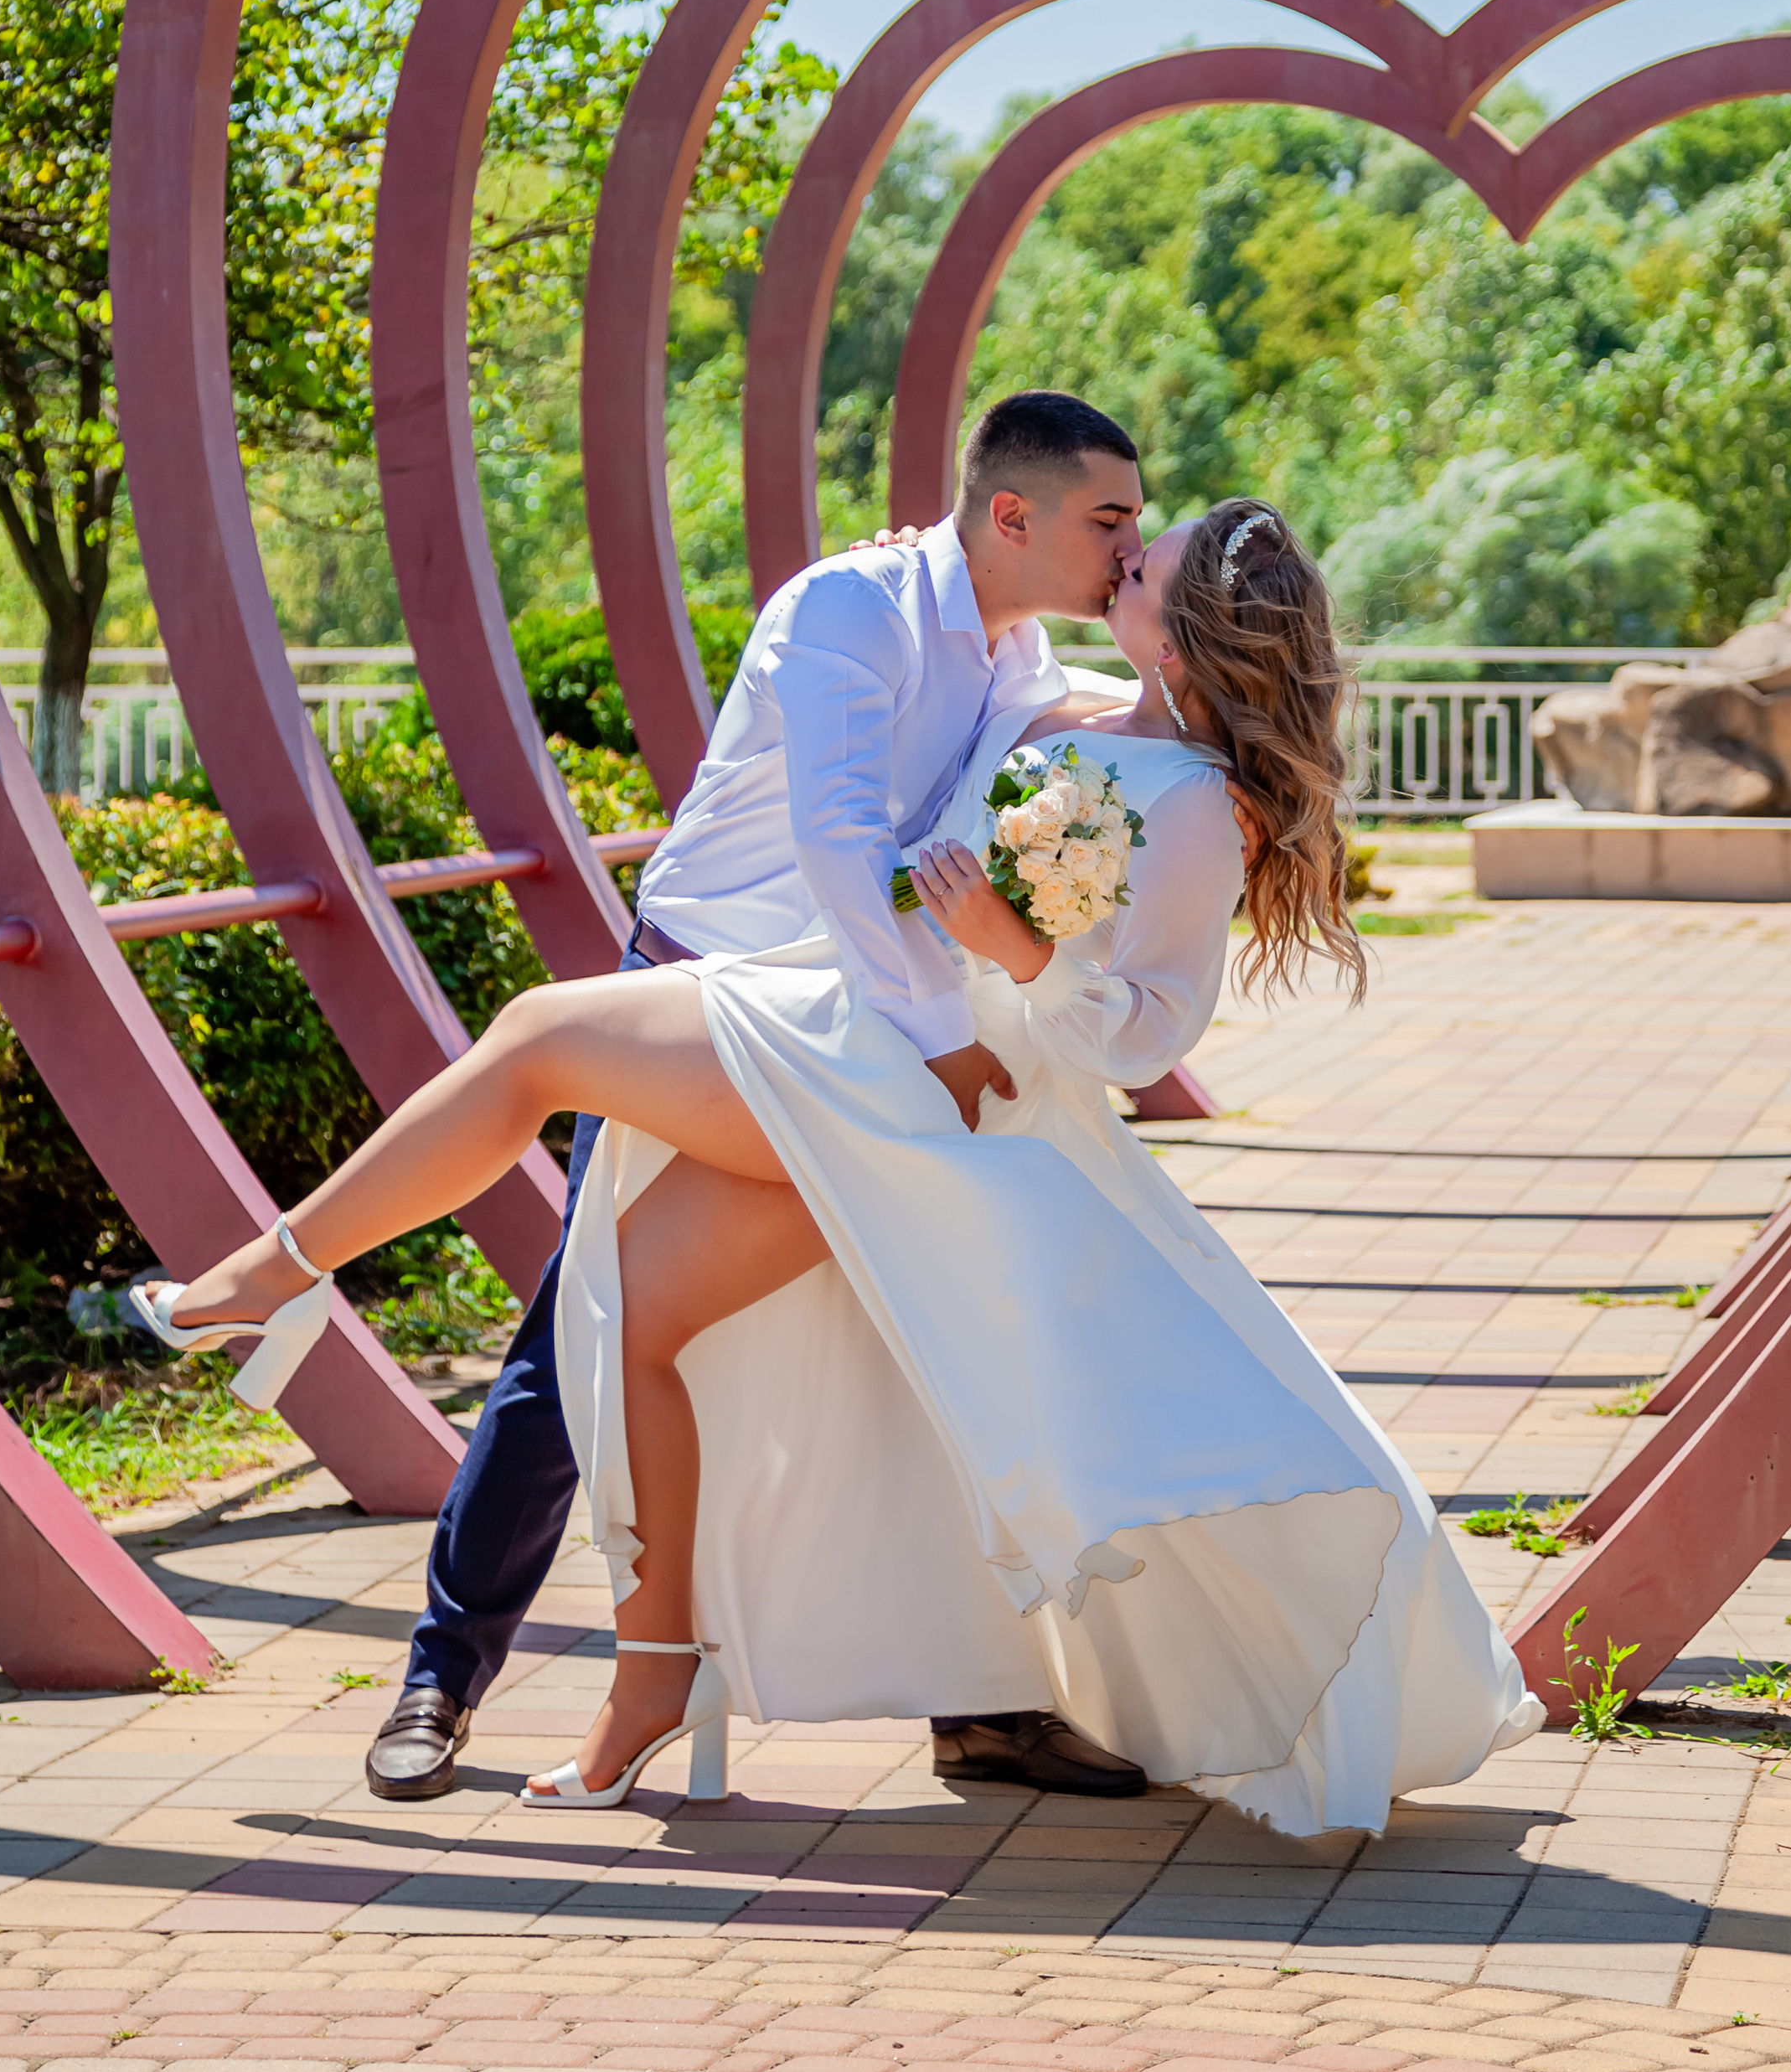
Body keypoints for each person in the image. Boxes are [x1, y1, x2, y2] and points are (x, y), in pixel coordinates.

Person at [136, 493, 1544, 1836]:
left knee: (536, 1039)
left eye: (1138, 569)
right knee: (624, 1312)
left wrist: (1019, 949)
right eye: (1116, 544)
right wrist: (919, 562)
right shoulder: (1056, 700)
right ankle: (653, 1673)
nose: (1115, 568)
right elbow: (946, 676)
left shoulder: (1188, 807)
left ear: (1178, 636)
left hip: (909, 1084)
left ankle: (270, 1276)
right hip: (860, 1031)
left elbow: (1148, 1032)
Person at [209, 390, 1150, 1803]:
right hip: (703, 1004)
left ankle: (985, 1703)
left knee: (934, 1326)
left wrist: (1213, 671)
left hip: (845, 1024)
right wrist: (945, 1036)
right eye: (1111, 521)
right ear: (1011, 516)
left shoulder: (1012, 654)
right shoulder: (852, 613)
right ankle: (440, 1676)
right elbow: (841, 844)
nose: (1127, 549)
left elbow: (1113, 722)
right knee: (578, 1339)